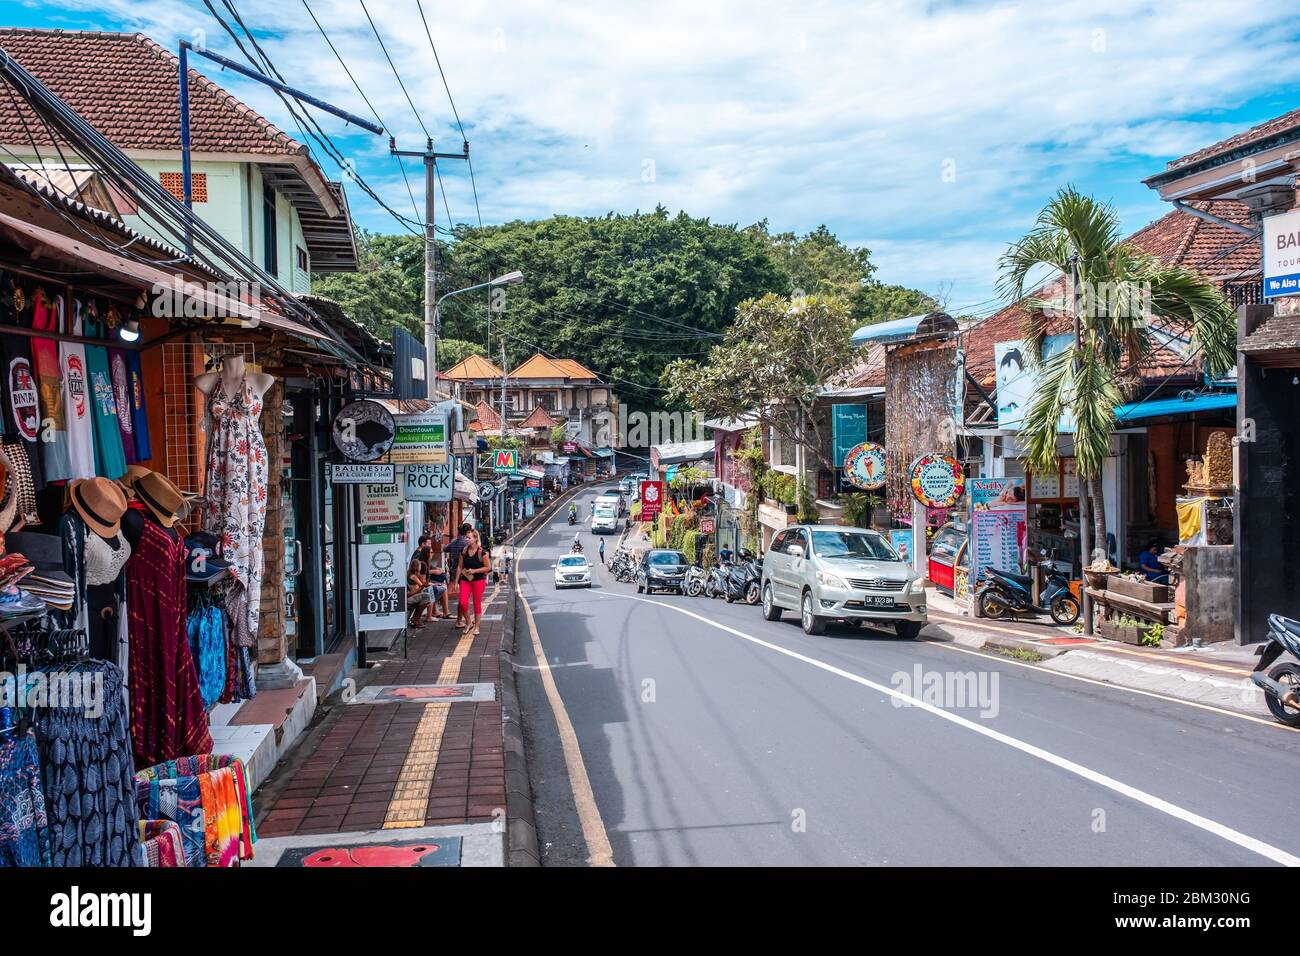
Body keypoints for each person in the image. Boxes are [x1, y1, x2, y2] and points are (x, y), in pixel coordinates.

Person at [454, 528, 490, 634]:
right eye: (466, 537)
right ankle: (469, 622)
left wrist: (474, 571)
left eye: (469, 538)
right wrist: (456, 581)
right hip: (465, 580)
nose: (466, 539)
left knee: (476, 603)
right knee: (462, 602)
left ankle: (477, 627)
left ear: (475, 538)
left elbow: (488, 567)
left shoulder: (481, 552)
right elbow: (460, 566)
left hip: (478, 581)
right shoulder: (464, 551)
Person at [446, 522, 472, 628]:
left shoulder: (454, 542)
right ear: (468, 532)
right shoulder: (467, 543)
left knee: (463, 597)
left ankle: (461, 620)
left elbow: (445, 549)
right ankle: (462, 620)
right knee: (464, 598)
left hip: (454, 570)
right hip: (465, 571)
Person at [406, 555, 432, 627]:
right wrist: (424, 585)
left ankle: (416, 618)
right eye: (420, 566)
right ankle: (416, 619)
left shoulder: (409, 574)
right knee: (427, 597)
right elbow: (421, 586)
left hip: (412, 597)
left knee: (427, 597)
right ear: (417, 567)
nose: (421, 568)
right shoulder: (413, 576)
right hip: (411, 598)